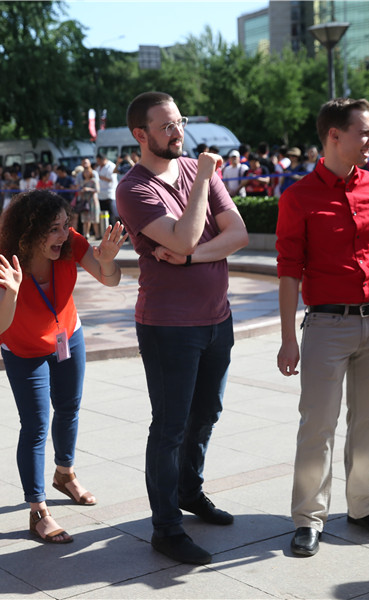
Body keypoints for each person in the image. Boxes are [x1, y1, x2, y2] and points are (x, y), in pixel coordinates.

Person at [276, 98, 369, 557]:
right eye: (365, 132)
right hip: (326, 325)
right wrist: (286, 339)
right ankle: (308, 517)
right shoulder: (297, 197)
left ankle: (362, 506)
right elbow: (288, 270)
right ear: (333, 136)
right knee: (317, 425)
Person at [116, 91, 249, 565]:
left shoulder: (196, 169)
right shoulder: (133, 189)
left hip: (218, 317)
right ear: (141, 135)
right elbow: (188, 232)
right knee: (170, 427)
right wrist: (202, 194)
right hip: (169, 327)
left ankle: (190, 491)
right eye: (167, 125)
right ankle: (166, 527)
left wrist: (192, 256)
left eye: (180, 122)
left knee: (206, 413)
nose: (179, 132)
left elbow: (238, 234)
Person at [0, 189, 127, 543]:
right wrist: (14, 292)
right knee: (35, 425)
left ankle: (65, 474)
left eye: (65, 225)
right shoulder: (1, 264)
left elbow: (109, 279)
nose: (63, 235)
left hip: (68, 337)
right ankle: (37, 511)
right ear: (28, 232)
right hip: (24, 350)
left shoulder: (70, 245)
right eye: (53, 229)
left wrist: (107, 261)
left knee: (68, 408)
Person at [75, 163, 100, 240]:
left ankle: (97, 235)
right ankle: (86, 234)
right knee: (85, 219)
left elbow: (98, 190)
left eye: (88, 172)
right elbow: (78, 191)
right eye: (85, 172)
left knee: (94, 219)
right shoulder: (82, 182)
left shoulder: (94, 181)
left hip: (92, 200)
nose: (86, 173)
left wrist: (88, 189)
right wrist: (81, 191)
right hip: (84, 201)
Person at [95, 153, 118, 221]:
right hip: (100, 194)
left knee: (111, 214)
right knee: (103, 214)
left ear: (104, 159)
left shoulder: (111, 166)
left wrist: (102, 177)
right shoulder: (98, 167)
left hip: (109, 194)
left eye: (99, 161)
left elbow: (112, 180)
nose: (98, 162)